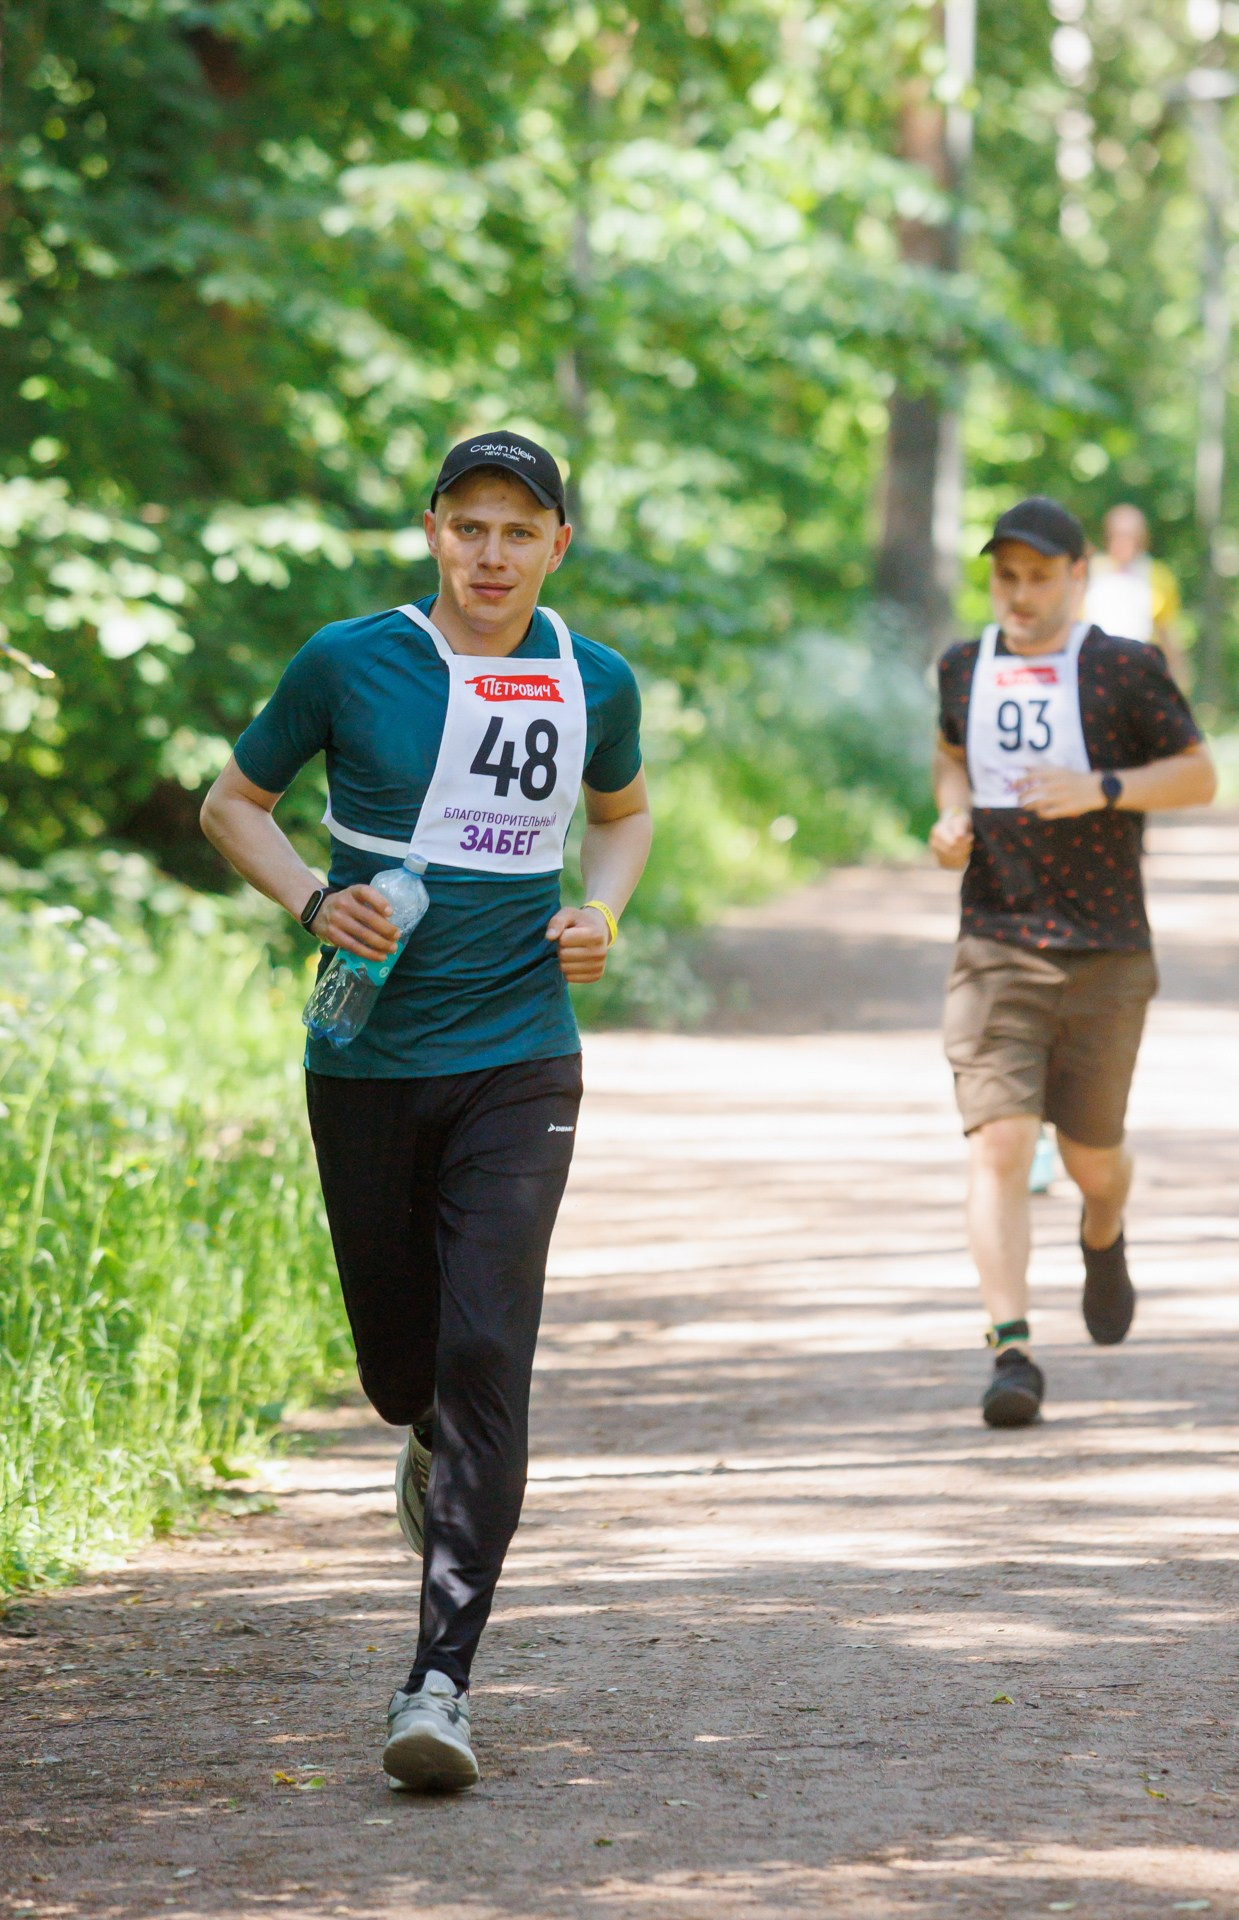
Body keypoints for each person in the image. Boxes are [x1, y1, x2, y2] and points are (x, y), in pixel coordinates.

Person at [200, 430, 651, 1789]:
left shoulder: (593, 677)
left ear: (557, 547)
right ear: (433, 532)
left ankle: (437, 1685)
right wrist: (307, 897)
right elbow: (233, 804)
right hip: (367, 1061)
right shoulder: (348, 661)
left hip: (524, 1054)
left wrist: (602, 913)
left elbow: (622, 815)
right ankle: (418, 1426)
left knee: (485, 1356)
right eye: (470, 527)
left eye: (520, 531)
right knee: (406, 1369)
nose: (493, 554)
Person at [929, 495, 1215, 1429]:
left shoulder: (1123, 669)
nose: (1019, 593)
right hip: (997, 939)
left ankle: (1104, 1230)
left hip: (1105, 950)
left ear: (1077, 574)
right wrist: (951, 815)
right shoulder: (964, 665)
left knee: (1094, 1161)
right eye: (1005, 576)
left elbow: (1200, 774)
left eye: (1038, 576)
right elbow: (948, 753)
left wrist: (1104, 788)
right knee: (1002, 1142)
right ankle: (1009, 1349)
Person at [1084, 503, 1188, 685]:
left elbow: (1167, 631)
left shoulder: (1157, 576)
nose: (1124, 543)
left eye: (1131, 537)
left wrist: (1179, 678)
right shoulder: (1090, 572)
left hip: (1141, 672)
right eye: (1118, 535)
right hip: (1095, 670)